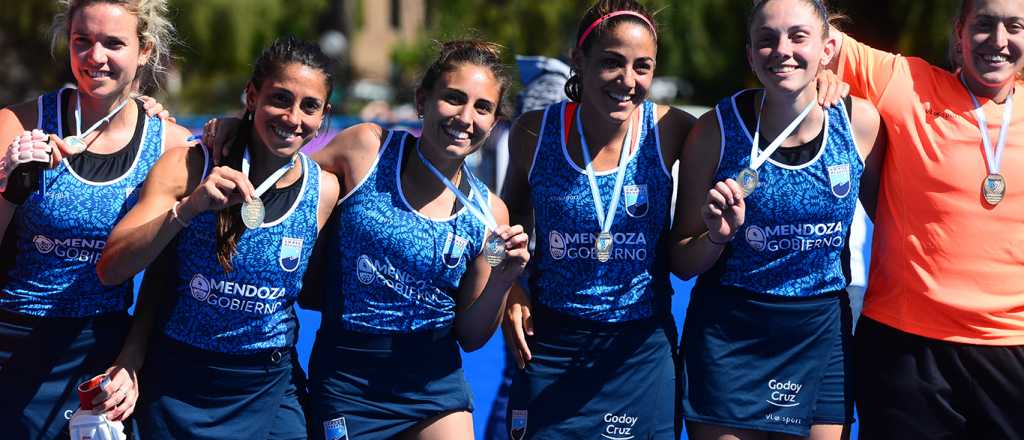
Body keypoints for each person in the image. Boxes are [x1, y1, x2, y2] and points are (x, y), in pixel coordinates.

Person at [94, 36, 340, 439]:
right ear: (251, 96)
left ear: (324, 114)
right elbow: (111, 268)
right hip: (178, 386)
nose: (293, 118)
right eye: (280, 99)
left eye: (309, 107)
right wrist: (188, 209)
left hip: (269, 388)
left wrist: (488, 253)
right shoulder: (189, 165)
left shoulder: (325, 189)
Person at [674, 0, 886, 438]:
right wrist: (715, 237)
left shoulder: (860, 123)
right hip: (731, 334)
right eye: (767, 40)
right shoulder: (716, 130)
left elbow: (898, 224)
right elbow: (680, 260)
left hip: (819, 331)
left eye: (798, 37)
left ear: (827, 49)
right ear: (750, 54)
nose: (782, 50)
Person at [302, 40, 529, 439]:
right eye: (453, 98)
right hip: (347, 379)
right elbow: (287, 176)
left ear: (493, 123)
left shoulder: (491, 214)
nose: (464, 117)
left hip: (433, 386)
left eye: (482, 108)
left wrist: (503, 280)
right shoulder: (367, 149)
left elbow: (472, 336)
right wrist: (235, 129)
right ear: (423, 100)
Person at [827, 0, 1024, 437]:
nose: (999, 40)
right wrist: (821, 71)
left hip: (1012, 351)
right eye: (984, 25)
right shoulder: (908, 84)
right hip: (907, 350)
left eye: (1015, 26)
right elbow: (804, 29)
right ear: (958, 33)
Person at [500, 1, 696, 438]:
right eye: (611, 62)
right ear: (578, 60)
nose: (628, 80)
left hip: (640, 352)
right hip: (550, 346)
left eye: (642, 66)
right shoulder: (535, 132)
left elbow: (762, 114)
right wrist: (508, 284)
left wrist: (825, 80)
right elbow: (506, 222)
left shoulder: (673, 130)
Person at [0, 0, 190, 437]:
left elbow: (166, 277)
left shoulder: (171, 144)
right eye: (81, 41)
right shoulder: (20, 123)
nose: (95, 57)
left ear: (145, 50)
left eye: (113, 43)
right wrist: (10, 189)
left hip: (100, 355)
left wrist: (131, 360)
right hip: (12, 343)